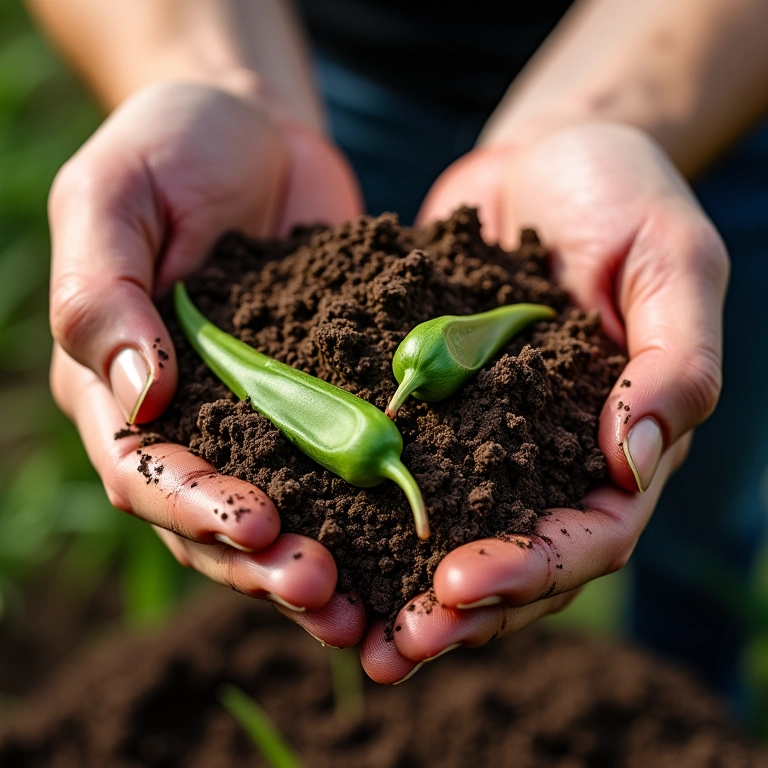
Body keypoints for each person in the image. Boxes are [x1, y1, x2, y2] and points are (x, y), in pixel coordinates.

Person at [27, 0, 768, 705]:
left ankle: (690, 684)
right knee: (297, 584)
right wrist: (208, 74)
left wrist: (607, 114)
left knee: (704, 514)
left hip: (704, 71)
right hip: (324, 69)